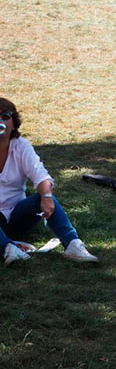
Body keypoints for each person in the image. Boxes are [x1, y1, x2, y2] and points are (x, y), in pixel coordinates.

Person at [0, 99, 99, 266]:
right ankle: (8, 248)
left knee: (43, 197)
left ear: (14, 121)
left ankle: (73, 244)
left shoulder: (21, 146)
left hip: (17, 215)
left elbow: (40, 175)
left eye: (5, 115)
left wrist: (46, 196)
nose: (1, 121)